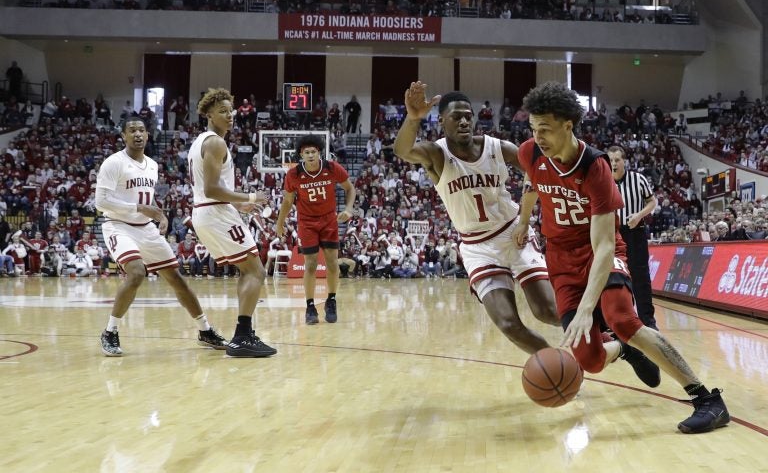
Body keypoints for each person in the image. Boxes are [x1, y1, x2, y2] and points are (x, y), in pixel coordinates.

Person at [515, 81, 729, 434]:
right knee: (590, 360)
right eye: (533, 128)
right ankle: (627, 351)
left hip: (599, 252)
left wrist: (587, 308)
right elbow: (530, 184)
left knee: (623, 319)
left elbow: (601, 247)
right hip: (561, 260)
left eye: (546, 129)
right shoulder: (531, 153)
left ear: (568, 125)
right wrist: (524, 221)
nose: (538, 137)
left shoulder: (595, 168)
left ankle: (707, 400)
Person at [393, 81, 559, 355]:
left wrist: (525, 219)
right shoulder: (436, 153)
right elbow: (402, 151)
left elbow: (537, 170)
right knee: (508, 323)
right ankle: (561, 367)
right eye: (456, 117)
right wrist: (413, 119)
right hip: (478, 247)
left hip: (512, 233)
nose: (464, 121)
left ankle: (606, 334)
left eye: (468, 116)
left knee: (547, 311)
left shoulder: (497, 147)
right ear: (442, 120)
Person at [96, 116, 228, 356]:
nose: (137, 134)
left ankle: (205, 330)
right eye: (132, 130)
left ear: (148, 135)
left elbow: (146, 199)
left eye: (142, 130)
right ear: (123, 136)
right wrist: (139, 208)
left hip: (146, 226)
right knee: (136, 272)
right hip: (118, 225)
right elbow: (100, 201)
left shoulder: (152, 165)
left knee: (176, 278)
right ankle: (110, 331)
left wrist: (161, 215)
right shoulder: (113, 163)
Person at [188, 87, 276, 357]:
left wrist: (240, 204)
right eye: (222, 111)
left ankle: (244, 334)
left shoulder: (200, 141)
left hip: (207, 211)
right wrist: (250, 195)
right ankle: (243, 337)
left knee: (248, 270)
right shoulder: (215, 142)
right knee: (256, 271)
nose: (229, 115)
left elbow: (209, 188)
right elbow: (213, 188)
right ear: (209, 114)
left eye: (231, 110)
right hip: (215, 212)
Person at [275, 134, 356, 324]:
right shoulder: (293, 174)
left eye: (313, 152)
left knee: (332, 263)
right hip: (307, 222)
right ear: (301, 155)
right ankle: (310, 306)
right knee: (310, 264)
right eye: (306, 152)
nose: (310, 155)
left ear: (319, 153)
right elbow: (288, 202)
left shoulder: (331, 167)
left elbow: (350, 188)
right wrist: (279, 223)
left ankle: (332, 300)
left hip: (329, 220)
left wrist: (349, 209)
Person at [607, 146, 659, 330]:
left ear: (624, 161)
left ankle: (648, 322)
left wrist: (639, 216)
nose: (613, 163)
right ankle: (615, 322)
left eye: (617, 160)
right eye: (611, 160)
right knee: (613, 277)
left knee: (640, 277)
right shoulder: (603, 182)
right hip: (611, 235)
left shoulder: (639, 179)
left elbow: (652, 201)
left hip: (635, 233)